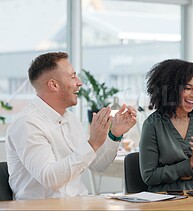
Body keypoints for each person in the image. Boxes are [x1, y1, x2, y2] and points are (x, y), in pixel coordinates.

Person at [5, 52, 137, 200]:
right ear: (53, 85)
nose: (79, 82)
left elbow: (97, 165)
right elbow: (50, 178)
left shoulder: (71, 119)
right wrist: (92, 143)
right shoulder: (27, 123)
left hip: (78, 204)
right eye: (73, 76)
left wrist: (115, 134)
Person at [139, 59, 193, 192]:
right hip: (164, 196)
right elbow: (149, 176)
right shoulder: (152, 124)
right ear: (171, 89)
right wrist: (190, 164)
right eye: (188, 88)